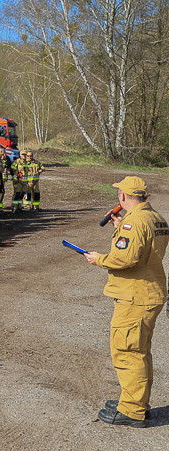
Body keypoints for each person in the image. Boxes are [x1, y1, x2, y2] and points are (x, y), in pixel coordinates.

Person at [84, 177, 169, 428]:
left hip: (135, 297)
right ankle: (135, 401)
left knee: (128, 352)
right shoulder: (155, 218)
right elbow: (144, 250)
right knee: (140, 351)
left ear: (123, 196)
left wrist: (98, 259)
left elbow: (125, 258)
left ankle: (133, 410)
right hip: (148, 293)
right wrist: (121, 225)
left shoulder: (136, 222)